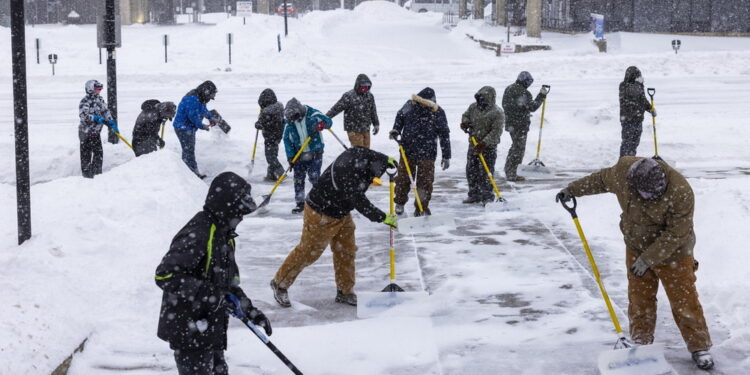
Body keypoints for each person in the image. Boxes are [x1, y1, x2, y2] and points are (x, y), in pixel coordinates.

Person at [555, 157, 714, 370]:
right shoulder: (622, 172)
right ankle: (641, 341)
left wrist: (648, 259)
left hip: (674, 252)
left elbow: (677, 233)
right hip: (636, 243)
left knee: (684, 300)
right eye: (643, 194)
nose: (647, 198)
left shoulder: (680, 191)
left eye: (652, 195)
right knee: (639, 297)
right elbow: (600, 180)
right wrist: (573, 189)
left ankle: (698, 346)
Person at [155, 172, 272, 375]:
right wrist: (211, 295)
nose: (242, 217)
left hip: (210, 327)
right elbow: (165, 275)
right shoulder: (200, 232)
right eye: (239, 212)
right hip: (189, 330)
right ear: (226, 209)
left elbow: (229, 285)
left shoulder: (224, 234)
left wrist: (250, 311)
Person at [270, 147, 398, 307]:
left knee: (346, 251)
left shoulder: (360, 156)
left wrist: (385, 159)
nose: (373, 180)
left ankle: (345, 291)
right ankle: (279, 283)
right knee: (308, 252)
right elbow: (359, 201)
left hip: (342, 212)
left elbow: (364, 150)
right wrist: (382, 217)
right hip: (321, 213)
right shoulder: (347, 174)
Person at [388, 87, 451, 216]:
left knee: (425, 183)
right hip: (408, 150)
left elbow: (444, 134)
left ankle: (421, 208)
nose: (426, 106)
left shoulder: (438, 112)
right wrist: (396, 130)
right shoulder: (409, 105)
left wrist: (446, 156)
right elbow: (400, 117)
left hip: (428, 153)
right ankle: (400, 203)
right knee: (403, 179)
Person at [282, 98, 333, 214]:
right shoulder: (290, 122)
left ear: (299, 111)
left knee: (315, 178)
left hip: (315, 153)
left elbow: (329, 122)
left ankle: (320, 201)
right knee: (298, 179)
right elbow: (287, 140)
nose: (293, 120)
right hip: (299, 155)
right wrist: (290, 157)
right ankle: (300, 203)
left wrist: (322, 124)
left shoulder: (313, 114)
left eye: (294, 117)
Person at [460, 86, 505, 205]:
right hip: (474, 143)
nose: (481, 101)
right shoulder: (473, 107)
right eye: (480, 98)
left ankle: (487, 196)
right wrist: (465, 122)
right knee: (471, 170)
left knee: (486, 172)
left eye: (484, 98)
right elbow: (466, 115)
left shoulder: (497, 112)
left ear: (490, 98)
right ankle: (474, 194)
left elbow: (496, 131)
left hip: (488, 147)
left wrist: (484, 143)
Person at [501, 71, 548, 182]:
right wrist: (541, 95)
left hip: (511, 124)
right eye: (529, 82)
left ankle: (508, 169)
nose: (529, 84)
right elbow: (533, 107)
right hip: (520, 125)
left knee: (514, 147)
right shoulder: (524, 93)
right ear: (525, 81)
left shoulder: (508, 88)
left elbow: (506, 104)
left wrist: (515, 112)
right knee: (518, 149)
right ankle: (513, 174)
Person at [173, 80, 220, 178]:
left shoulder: (200, 97)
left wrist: (210, 117)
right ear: (206, 91)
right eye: (211, 95)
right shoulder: (192, 99)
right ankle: (192, 175)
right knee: (188, 151)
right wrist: (202, 125)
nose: (212, 98)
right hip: (183, 128)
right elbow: (193, 116)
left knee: (188, 150)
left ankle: (188, 172)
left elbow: (202, 109)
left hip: (188, 127)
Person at [325, 74, 380, 148]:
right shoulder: (349, 96)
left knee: (366, 151)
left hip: (366, 128)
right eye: (363, 86)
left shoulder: (370, 96)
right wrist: (325, 118)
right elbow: (336, 108)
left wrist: (376, 124)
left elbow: (373, 111)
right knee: (359, 151)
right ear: (358, 85)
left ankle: (362, 160)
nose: (365, 88)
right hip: (353, 129)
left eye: (367, 86)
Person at [78, 79, 118, 178]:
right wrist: (96, 118)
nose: (99, 91)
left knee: (98, 153)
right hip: (85, 132)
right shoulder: (85, 101)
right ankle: (86, 175)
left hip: (95, 132)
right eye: (97, 89)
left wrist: (111, 122)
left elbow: (105, 111)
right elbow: (83, 115)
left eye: (100, 89)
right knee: (86, 154)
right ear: (90, 89)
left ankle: (97, 173)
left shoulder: (99, 99)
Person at [619, 66, 656, 157]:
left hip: (638, 120)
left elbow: (642, 100)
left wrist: (650, 108)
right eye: (637, 76)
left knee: (634, 143)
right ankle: (623, 163)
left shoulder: (638, 86)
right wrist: (639, 84)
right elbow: (633, 92)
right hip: (628, 121)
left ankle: (631, 160)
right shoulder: (624, 86)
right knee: (627, 143)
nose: (639, 78)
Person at [255, 89, 286, 181]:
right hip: (277, 136)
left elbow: (263, 123)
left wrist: (258, 124)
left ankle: (281, 173)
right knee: (273, 155)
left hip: (270, 137)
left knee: (270, 157)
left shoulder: (267, 112)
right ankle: (271, 174)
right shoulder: (279, 108)